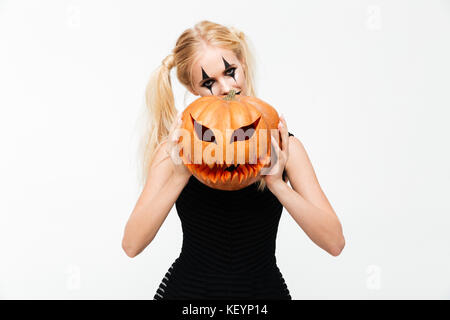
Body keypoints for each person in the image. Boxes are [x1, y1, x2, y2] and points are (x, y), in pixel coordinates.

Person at [122, 20, 345, 300]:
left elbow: (334, 242)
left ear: (243, 64)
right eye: (208, 82)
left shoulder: (284, 144)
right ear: (192, 89)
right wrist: (180, 175)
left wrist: (276, 184)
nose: (226, 87)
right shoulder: (176, 150)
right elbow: (131, 245)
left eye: (230, 72)